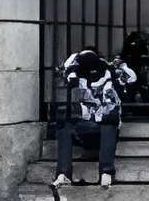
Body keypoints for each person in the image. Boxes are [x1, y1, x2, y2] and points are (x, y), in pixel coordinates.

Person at [50, 47, 134, 187]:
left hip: (105, 131)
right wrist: (77, 57)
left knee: (109, 121)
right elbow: (63, 71)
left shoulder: (110, 75)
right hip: (86, 129)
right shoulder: (78, 76)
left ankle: (106, 172)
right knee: (64, 126)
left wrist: (116, 65)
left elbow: (131, 78)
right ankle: (63, 174)